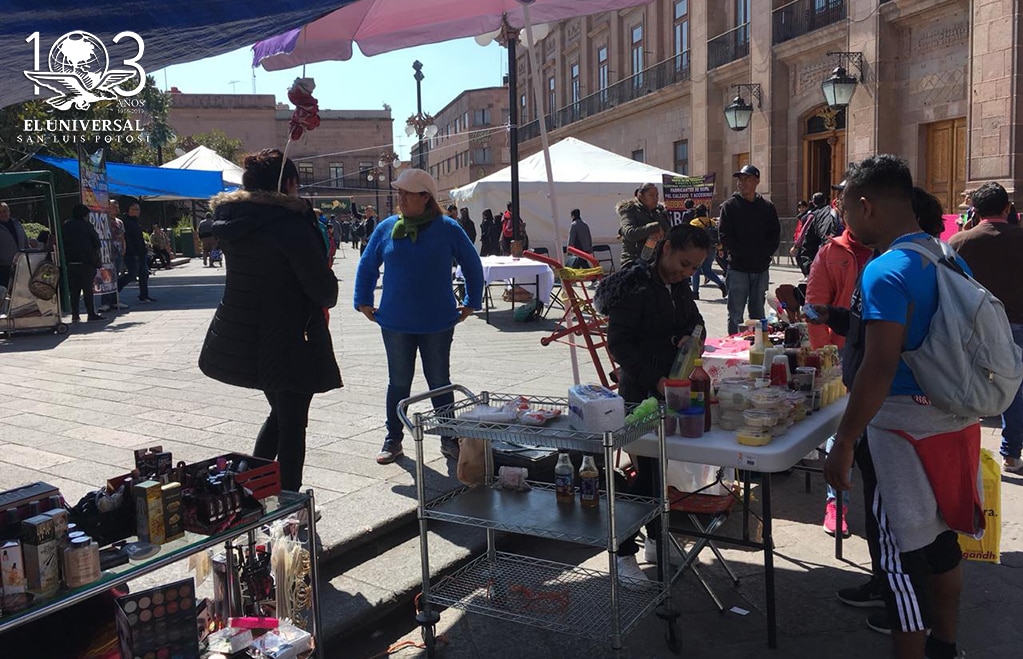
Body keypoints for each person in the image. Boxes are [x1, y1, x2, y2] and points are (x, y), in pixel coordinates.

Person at [824, 155, 978, 659]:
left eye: (847, 211)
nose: (847, 221)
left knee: (897, 561)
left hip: (901, 435)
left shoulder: (886, 270)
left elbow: (879, 366)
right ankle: (945, 645)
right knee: (941, 544)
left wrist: (845, 441)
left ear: (866, 206)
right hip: (952, 421)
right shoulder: (946, 255)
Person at [199, 148, 341, 493]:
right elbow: (323, 291)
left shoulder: (235, 220)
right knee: (292, 423)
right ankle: (288, 502)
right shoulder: (289, 225)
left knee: (281, 415)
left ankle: (250, 486)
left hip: (244, 335)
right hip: (288, 337)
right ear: (288, 183)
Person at [595, 223, 710, 581]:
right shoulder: (637, 284)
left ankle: (657, 540)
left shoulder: (678, 285)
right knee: (646, 476)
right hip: (639, 394)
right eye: (685, 263)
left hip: (669, 391)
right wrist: (654, 379)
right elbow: (620, 344)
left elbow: (697, 322)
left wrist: (690, 338)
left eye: (695, 268)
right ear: (667, 249)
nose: (687, 273)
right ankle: (622, 551)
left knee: (659, 473)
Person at [354, 169, 484, 465]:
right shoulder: (387, 227)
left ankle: (448, 437)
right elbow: (367, 264)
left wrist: (471, 302)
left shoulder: (447, 228)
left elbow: (472, 264)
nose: (400, 198)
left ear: (425, 197)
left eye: (407, 193)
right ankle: (393, 438)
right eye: (399, 192)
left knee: (439, 380)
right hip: (395, 321)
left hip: (437, 321)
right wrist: (363, 300)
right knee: (398, 382)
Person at [949, 182, 1023, 474]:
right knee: (1015, 389)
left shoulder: (958, 242)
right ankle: (1011, 454)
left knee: (967, 387)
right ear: (1007, 208)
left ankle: (964, 454)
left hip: (972, 326)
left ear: (975, 211)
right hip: (1017, 324)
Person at [718, 164, 781, 335]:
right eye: (740, 179)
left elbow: (774, 234)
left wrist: (765, 253)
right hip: (738, 267)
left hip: (761, 268)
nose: (742, 183)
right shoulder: (730, 206)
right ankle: (733, 344)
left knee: (758, 311)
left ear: (757, 181)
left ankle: (758, 344)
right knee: (735, 313)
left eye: (747, 179)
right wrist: (742, 253)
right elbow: (724, 235)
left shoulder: (767, 207)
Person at [62, 203, 103, 323]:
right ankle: (91, 313)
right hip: (87, 262)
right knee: (87, 289)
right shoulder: (87, 226)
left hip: (71, 262)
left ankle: (75, 314)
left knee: (74, 290)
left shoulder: (66, 226)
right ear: (85, 215)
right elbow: (97, 243)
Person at [617, 183, 670, 267]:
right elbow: (630, 233)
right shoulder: (629, 209)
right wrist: (654, 227)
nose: (655, 198)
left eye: (657, 195)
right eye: (651, 195)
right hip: (633, 260)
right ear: (641, 196)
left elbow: (669, 233)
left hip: (656, 260)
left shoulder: (659, 212)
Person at [116, 201, 155, 303]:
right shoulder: (125, 222)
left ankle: (144, 295)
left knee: (144, 274)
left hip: (141, 252)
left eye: (138, 209)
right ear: (129, 210)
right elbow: (127, 239)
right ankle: (115, 289)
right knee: (132, 274)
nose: (137, 212)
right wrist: (133, 253)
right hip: (131, 253)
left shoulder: (135, 221)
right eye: (135, 209)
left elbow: (139, 238)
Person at [797, 191, 844, 276]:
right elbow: (808, 241)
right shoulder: (819, 215)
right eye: (840, 198)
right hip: (826, 271)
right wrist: (812, 270)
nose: (838, 201)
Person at [688, 205, 727, 299]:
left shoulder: (694, 222)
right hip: (712, 248)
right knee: (707, 270)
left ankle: (695, 292)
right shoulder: (712, 222)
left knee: (695, 270)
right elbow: (717, 236)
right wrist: (720, 248)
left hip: (699, 249)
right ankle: (721, 284)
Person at [0, 202, 28, 291]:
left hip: (21, 265)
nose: (3, 214)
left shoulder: (17, 224)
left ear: (9, 211)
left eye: (4, 211)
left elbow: (25, 241)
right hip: (4, 268)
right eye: (0, 212)